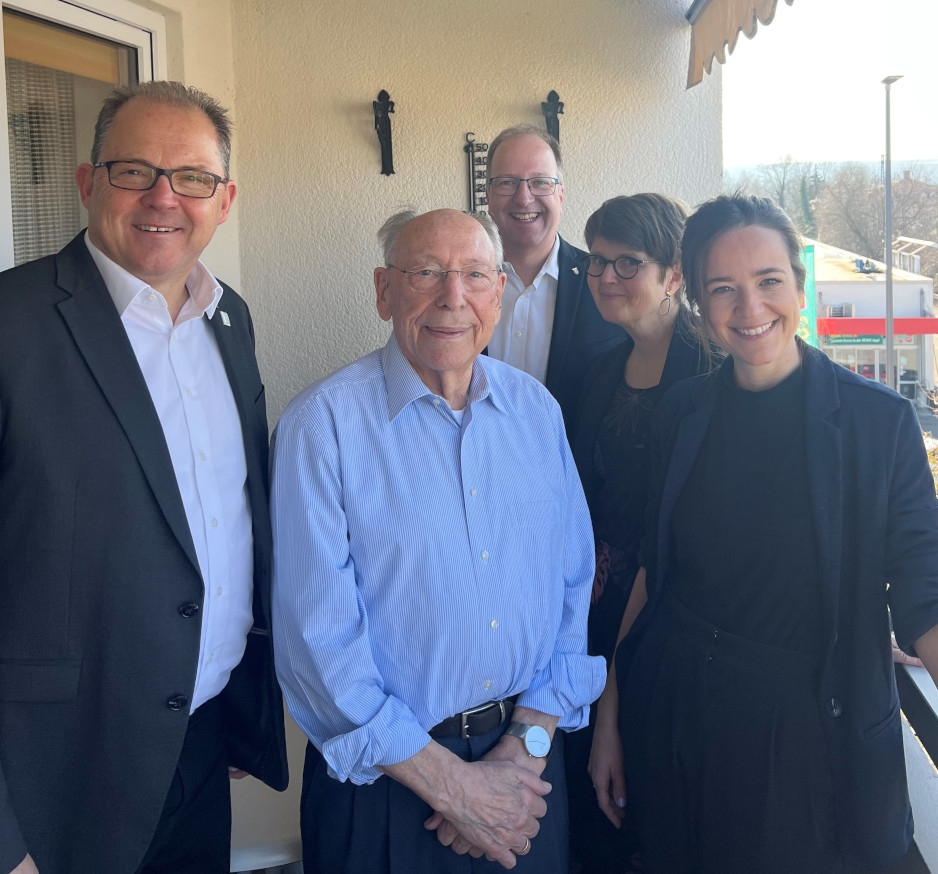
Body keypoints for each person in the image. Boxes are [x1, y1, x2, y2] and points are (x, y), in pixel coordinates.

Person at [588, 193, 938, 872]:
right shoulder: (683, 414)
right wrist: (610, 722)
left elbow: (933, 599)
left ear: (799, 289)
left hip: (806, 745)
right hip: (677, 719)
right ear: (699, 302)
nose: (749, 310)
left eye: (768, 282)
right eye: (724, 289)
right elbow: (655, 574)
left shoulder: (877, 424)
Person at [0, 81, 288, 874]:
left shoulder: (231, 320)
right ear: (89, 182)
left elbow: (231, 515)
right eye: (135, 171)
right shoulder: (12, 323)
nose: (165, 197)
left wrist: (237, 710)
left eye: (191, 177)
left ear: (224, 200)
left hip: (198, 740)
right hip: (55, 770)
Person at [270, 208, 603, 874]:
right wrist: (453, 788)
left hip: (525, 774)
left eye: (475, 275)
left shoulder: (537, 412)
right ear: (384, 291)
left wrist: (526, 745)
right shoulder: (322, 427)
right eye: (426, 272)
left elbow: (572, 589)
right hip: (387, 789)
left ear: (498, 294)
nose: (454, 297)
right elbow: (317, 639)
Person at [564, 193, 711, 873]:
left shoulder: (713, 371)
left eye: (630, 263)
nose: (607, 278)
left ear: (675, 275)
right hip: (589, 614)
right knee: (588, 806)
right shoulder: (596, 371)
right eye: (597, 262)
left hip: (670, 620)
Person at [485, 125, 624, 426]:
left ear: (560, 194)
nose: (524, 198)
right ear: (488, 195)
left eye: (540, 182)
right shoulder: (459, 282)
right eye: (508, 182)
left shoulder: (607, 280)